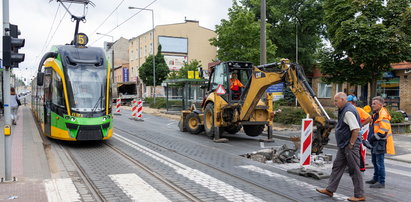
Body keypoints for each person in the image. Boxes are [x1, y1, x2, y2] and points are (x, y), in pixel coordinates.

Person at [316, 92, 365, 201]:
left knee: (354, 170)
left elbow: (356, 129)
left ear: (343, 100)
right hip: (344, 145)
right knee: (337, 166)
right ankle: (330, 190)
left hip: (349, 145)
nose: (334, 103)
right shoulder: (345, 109)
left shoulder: (348, 111)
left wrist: (351, 144)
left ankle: (359, 195)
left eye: (336, 101)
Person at [366, 96, 395, 188]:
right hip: (375, 142)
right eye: (372, 103)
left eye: (374, 104)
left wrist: (372, 138)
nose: (372, 105)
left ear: (380, 105)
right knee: (374, 161)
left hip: (380, 142)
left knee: (379, 162)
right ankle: (375, 178)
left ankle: (381, 182)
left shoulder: (383, 115)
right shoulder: (376, 114)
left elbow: (383, 130)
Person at [347, 95, 372, 171]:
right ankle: (353, 165)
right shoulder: (349, 109)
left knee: (361, 147)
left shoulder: (358, 110)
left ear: (353, 102)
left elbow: (369, 118)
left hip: (361, 131)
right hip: (355, 130)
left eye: (348, 102)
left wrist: (361, 125)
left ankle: (361, 166)